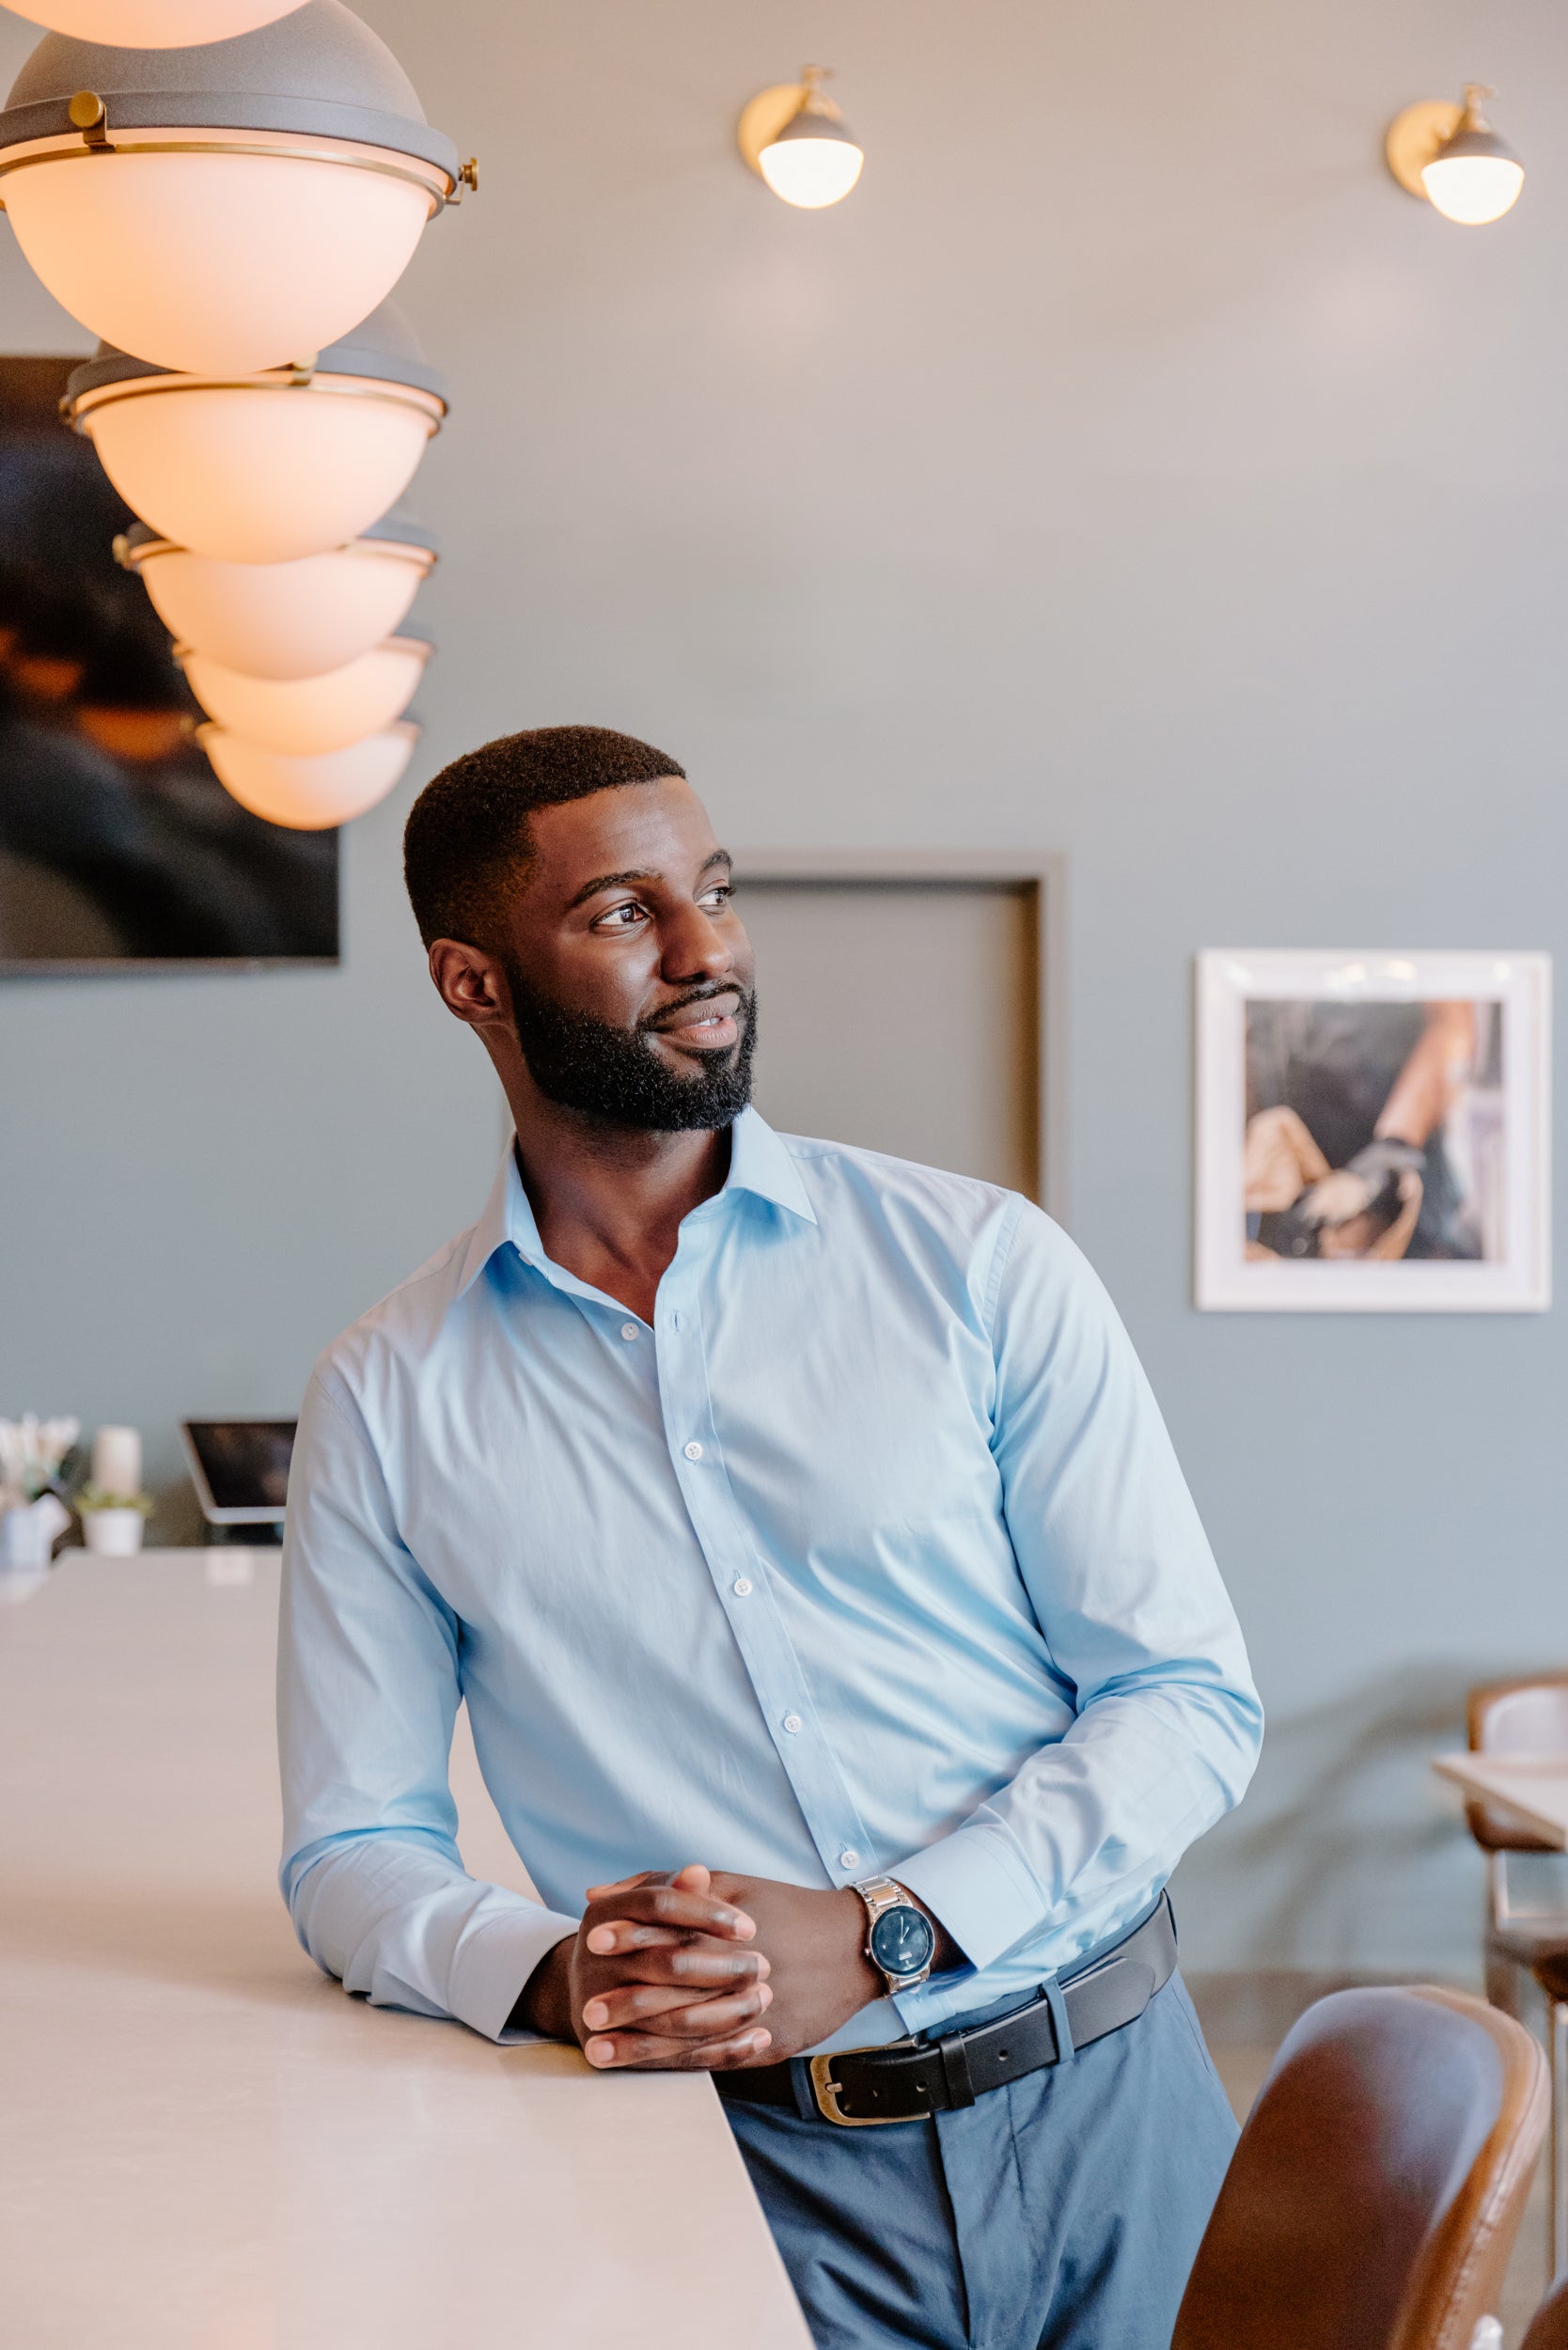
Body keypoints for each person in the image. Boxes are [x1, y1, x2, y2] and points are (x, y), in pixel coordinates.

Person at [277, 725, 1262, 2350]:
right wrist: (552, 1975)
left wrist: (897, 1928)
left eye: (716, 890)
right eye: (622, 913)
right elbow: (351, 1851)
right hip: (736, 2183)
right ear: (473, 984)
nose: (707, 949)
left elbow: (1184, 1698)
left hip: (1115, 2112)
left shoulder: (982, 1267)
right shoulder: (389, 1395)